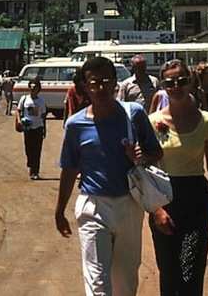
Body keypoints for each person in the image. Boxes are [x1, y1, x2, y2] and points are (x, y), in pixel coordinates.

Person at [55, 57, 162, 296]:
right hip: (93, 206)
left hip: (129, 205)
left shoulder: (132, 114)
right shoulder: (75, 125)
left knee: (125, 282)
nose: (100, 88)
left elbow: (156, 152)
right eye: (94, 82)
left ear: (116, 83)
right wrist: (59, 210)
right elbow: (69, 169)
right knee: (98, 283)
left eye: (106, 81)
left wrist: (140, 155)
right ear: (85, 86)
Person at [148, 59, 208, 296]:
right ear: (163, 85)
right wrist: (154, 208)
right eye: (169, 82)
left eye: (182, 81)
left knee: (190, 265)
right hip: (164, 196)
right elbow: (146, 168)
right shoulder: (153, 122)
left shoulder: (207, 121)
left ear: (191, 81)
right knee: (168, 265)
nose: (176, 86)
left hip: (195, 198)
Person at [15, 76, 47, 180]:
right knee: (28, 149)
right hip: (27, 128)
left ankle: (35, 171)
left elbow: (43, 116)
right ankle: (30, 164)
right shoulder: (24, 99)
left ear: (38, 89)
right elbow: (18, 111)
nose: (33, 89)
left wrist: (44, 129)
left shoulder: (41, 101)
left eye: (35, 87)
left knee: (37, 150)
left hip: (38, 128)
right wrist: (19, 121)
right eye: (31, 87)